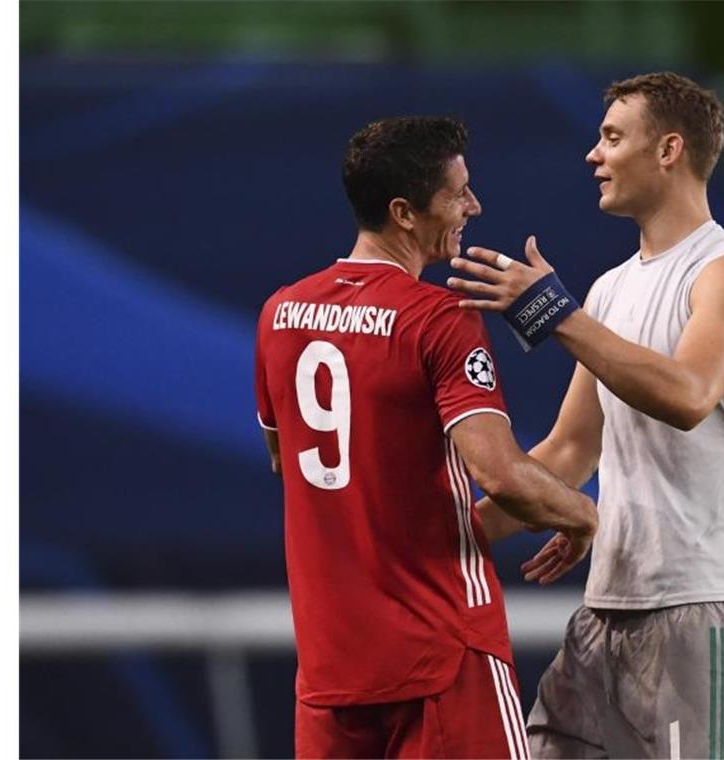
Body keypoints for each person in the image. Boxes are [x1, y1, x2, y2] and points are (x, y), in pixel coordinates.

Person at [447, 72, 724, 758]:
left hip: (703, 610)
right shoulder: (611, 288)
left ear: (668, 150)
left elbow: (689, 395)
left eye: (611, 137)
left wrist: (555, 315)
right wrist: (448, 539)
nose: (592, 155)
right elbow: (570, 450)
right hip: (606, 609)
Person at [254, 116, 598, 759]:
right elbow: (500, 475)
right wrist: (587, 518)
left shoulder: (280, 313)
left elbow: (288, 459)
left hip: (332, 664)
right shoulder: (438, 318)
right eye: (457, 193)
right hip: (443, 650)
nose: (474, 205)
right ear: (404, 213)